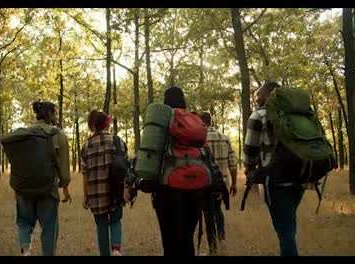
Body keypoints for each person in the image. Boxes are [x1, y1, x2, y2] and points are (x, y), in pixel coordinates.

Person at [125, 86, 209, 256]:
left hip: (167, 189)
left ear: (165, 102)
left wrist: (131, 182)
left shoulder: (162, 120)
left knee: (170, 240)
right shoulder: (193, 120)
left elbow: (148, 151)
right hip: (196, 188)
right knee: (187, 238)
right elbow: (206, 154)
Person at [243, 81, 304, 256]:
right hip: (300, 177)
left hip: (276, 180)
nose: (256, 98)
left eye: (259, 94)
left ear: (271, 93)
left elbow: (250, 150)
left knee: (285, 232)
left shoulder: (259, 116)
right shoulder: (296, 115)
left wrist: (250, 171)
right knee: (289, 226)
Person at [14, 101, 71, 256]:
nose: (57, 116)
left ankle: (26, 251)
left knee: (24, 222)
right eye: (56, 113)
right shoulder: (58, 134)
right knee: (49, 228)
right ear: (50, 114)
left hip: (24, 189)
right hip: (48, 190)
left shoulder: (23, 134)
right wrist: (64, 186)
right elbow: (64, 171)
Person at [81, 110, 127, 256]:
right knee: (115, 221)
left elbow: (85, 173)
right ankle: (116, 249)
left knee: (101, 226)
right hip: (115, 190)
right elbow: (126, 167)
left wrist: (86, 195)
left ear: (94, 125)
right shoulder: (117, 141)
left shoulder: (86, 145)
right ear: (107, 124)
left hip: (95, 193)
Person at [199, 112, 238, 255]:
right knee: (217, 210)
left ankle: (213, 248)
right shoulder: (225, 138)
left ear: (201, 122)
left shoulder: (199, 139)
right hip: (222, 184)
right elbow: (233, 164)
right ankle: (221, 238)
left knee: (208, 213)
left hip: (205, 184)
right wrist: (234, 184)